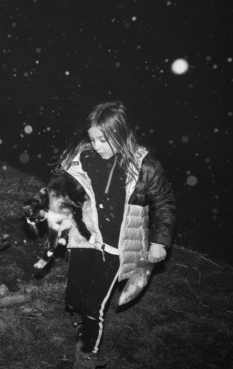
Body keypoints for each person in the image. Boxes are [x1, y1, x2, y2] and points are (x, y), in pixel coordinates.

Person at [52, 101, 176, 368]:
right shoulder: (85, 158)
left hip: (116, 247)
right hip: (86, 239)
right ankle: (83, 329)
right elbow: (66, 192)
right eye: (92, 139)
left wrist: (160, 241)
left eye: (103, 139)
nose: (96, 146)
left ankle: (87, 357)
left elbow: (164, 203)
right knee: (73, 299)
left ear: (121, 133)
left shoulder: (145, 167)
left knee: (92, 306)